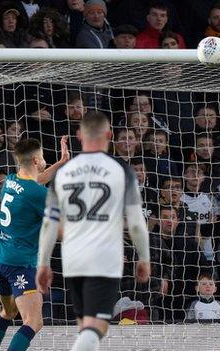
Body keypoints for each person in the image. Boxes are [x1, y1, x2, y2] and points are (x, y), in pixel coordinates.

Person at [36, 111, 151, 351]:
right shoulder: (121, 169)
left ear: (79, 136)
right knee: (95, 327)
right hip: (105, 255)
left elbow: (50, 223)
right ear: (110, 135)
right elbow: (137, 222)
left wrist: (43, 263)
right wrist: (144, 257)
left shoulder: (63, 172)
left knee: (87, 326)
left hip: (73, 256)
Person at [0, 137, 69, 351]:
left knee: (8, 312)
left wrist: (61, 162)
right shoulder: (39, 194)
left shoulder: (10, 181)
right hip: (20, 265)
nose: (44, 161)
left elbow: (36, 181)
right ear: (35, 160)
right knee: (33, 321)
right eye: (42, 157)